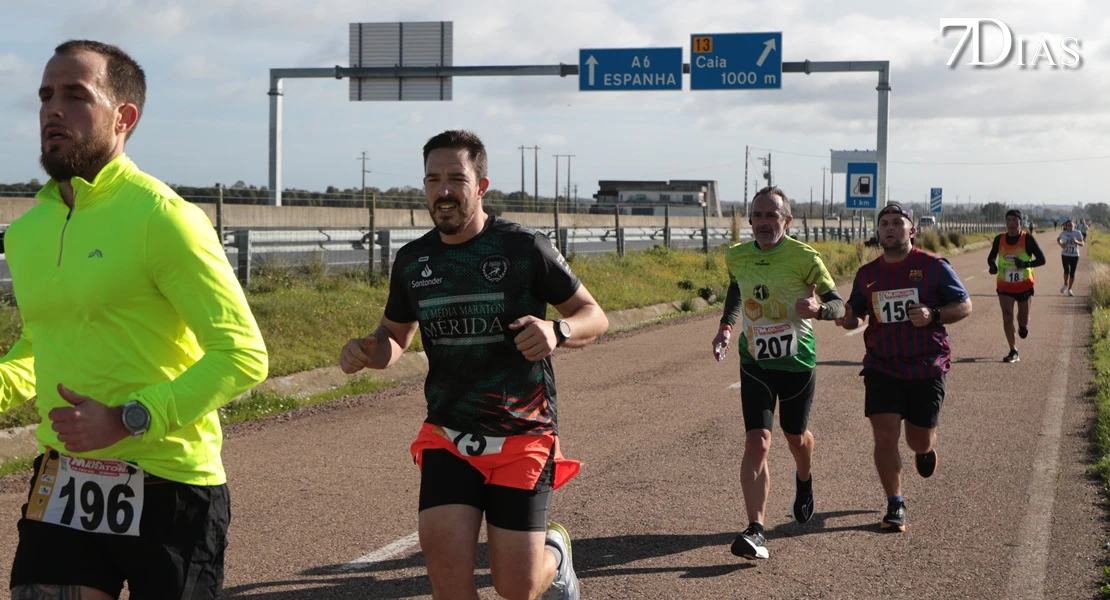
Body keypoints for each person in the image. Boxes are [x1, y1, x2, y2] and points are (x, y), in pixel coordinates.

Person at [3, 41, 269, 599]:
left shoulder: (164, 218)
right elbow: (42, 339)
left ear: (124, 117)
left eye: (76, 95)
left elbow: (242, 354)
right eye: (46, 95)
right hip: (64, 479)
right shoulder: (27, 232)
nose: (53, 109)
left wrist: (128, 418)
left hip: (169, 482)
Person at [339, 130, 608, 600]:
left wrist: (556, 332)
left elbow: (594, 315)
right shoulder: (413, 260)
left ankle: (557, 555)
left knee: (516, 588)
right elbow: (394, 339)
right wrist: (366, 351)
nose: (443, 191)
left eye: (455, 179)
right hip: (449, 436)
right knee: (449, 587)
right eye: (433, 179)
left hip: (522, 434)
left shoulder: (525, 248)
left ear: (481, 185)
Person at [711, 186, 845, 560]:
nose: (764, 223)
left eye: (772, 216)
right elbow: (737, 288)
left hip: (797, 362)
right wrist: (726, 326)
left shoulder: (805, 257)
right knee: (757, 442)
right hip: (754, 360)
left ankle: (804, 478)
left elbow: (839, 306)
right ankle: (756, 530)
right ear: (750, 220)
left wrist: (818, 309)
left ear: (787, 220)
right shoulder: (737, 255)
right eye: (758, 215)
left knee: (795, 436)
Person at [834, 203, 972, 532]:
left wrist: (933, 315)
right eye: (884, 223)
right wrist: (845, 317)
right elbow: (854, 312)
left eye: (898, 222)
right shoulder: (867, 274)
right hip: (882, 366)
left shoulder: (933, 265)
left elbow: (964, 305)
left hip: (926, 364)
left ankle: (926, 450)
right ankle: (895, 504)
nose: (891, 228)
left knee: (918, 441)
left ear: (912, 230)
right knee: (884, 436)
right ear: (878, 232)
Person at [986, 209, 1047, 363]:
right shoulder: (999, 239)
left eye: (1015, 220)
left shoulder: (1028, 239)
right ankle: (1013, 350)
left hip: (1024, 285)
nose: (1011, 224)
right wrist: (993, 266)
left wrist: (1025, 264)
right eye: (1009, 220)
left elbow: (1042, 260)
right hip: (1004, 285)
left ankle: (1023, 326)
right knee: (1007, 317)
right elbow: (991, 256)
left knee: (1023, 319)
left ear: (1021, 222)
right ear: (1005, 222)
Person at [1057, 219, 1085, 296]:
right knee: (1066, 270)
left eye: (1071, 225)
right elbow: (1058, 239)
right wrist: (1061, 245)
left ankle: (1070, 289)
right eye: (1068, 225)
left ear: (1074, 225)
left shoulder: (1078, 233)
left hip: (1075, 255)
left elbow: (1082, 244)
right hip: (1065, 254)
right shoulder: (1063, 233)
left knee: (1072, 273)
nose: (1070, 227)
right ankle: (1065, 284)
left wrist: (1077, 242)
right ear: (1066, 226)